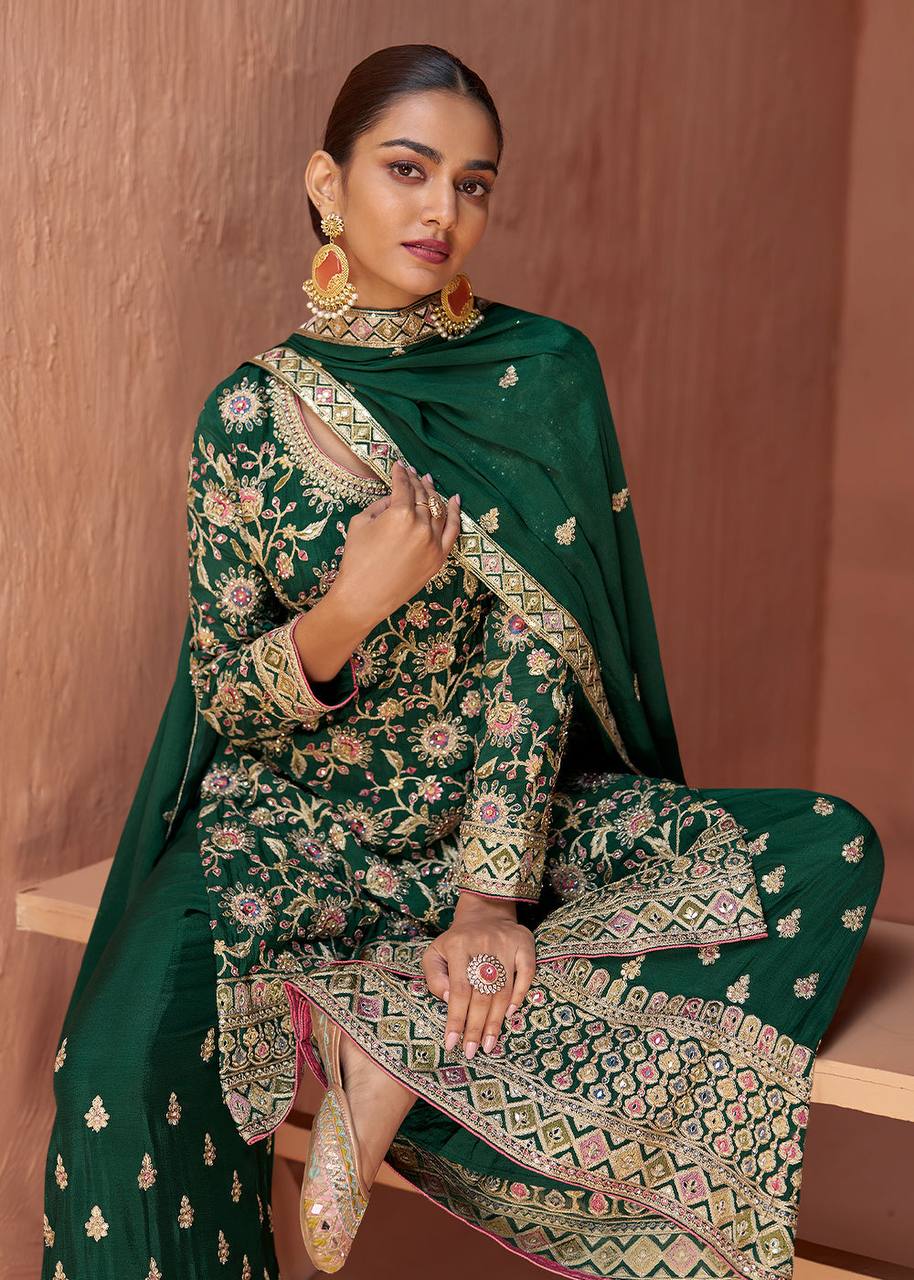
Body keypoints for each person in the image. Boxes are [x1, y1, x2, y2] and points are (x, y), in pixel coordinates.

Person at [40, 42, 884, 1280]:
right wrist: (346, 608)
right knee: (112, 1076)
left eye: (473, 182)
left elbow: (536, 665)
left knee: (827, 848)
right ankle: (393, 1027)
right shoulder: (244, 415)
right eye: (408, 168)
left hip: (495, 827)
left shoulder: (537, 378)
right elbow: (226, 692)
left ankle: (395, 1044)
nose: (443, 207)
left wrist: (490, 897)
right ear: (326, 185)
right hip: (287, 831)